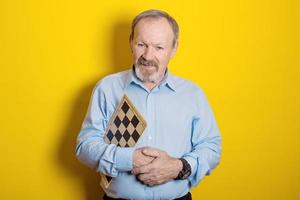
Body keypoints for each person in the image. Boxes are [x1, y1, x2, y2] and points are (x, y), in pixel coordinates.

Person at [75, 9, 221, 200]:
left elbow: (211, 147)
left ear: (174, 48)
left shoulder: (192, 94)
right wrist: (129, 159)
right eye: (141, 44)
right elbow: (85, 146)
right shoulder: (107, 88)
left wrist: (178, 167)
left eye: (159, 47)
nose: (148, 55)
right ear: (131, 42)